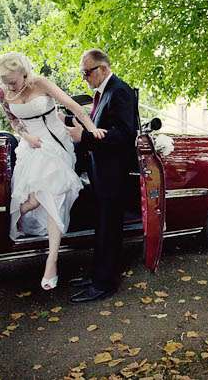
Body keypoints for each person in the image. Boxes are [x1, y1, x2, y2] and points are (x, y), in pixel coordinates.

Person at [0, 52, 105, 291]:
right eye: (5, 82)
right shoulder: (2, 92)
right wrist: (27, 137)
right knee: (38, 200)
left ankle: (51, 261)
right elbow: (14, 122)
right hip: (31, 146)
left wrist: (92, 129)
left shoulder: (40, 83)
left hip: (56, 145)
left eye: (12, 81)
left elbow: (73, 106)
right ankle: (26, 209)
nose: (9, 87)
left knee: (53, 196)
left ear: (24, 73)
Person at [66, 49, 139, 303]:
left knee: (110, 230)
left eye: (87, 72)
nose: (84, 78)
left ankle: (105, 284)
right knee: (101, 227)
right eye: (83, 73)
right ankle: (97, 276)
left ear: (103, 68)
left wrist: (84, 137)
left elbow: (125, 135)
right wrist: (73, 125)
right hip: (102, 173)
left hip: (114, 174)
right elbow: (99, 128)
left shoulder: (120, 91)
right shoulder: (103, 93)